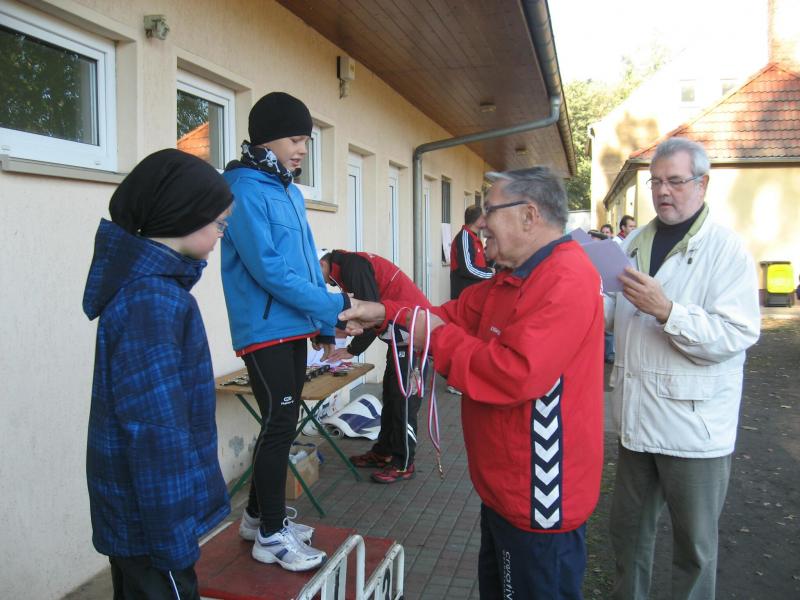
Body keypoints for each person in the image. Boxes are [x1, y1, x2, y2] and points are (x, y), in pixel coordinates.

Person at [340, 167, 605, 599]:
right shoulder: (512, 276)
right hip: (504, 490)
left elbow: (512, 372)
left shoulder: (565, 278)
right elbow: (451, 315)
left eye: (490, 210)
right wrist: (383, 313)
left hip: (537, 501)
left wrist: (434, 336)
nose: (480, 223)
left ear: (529, 215)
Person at [606, 137, 761, 600]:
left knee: (693, 550)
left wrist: (668, 311)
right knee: (627, 538)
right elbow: (615, 311)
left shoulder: (726, 250)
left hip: (693, 430)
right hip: (636, 420)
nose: (663, 191)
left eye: (674, 181)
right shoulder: (633, 242)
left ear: (702, 184)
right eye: (656, 182)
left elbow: (736, 334)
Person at [82, 149, 233, 599]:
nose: (221, 234)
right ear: (186, 215)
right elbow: (154, 432)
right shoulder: (153, 301)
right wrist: (172, 541)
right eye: (220, 223)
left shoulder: (154, 291)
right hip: (151, 526)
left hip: (142, 519)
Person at [220, 92, 350, 571]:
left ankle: (257, 519)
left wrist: (325, 323)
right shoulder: (241, 188)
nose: (302, 149)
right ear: (267, 138)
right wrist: (334, 306)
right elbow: (268, 269)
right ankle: (271, 536)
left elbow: (309, 266)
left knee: (284, 423)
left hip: (294, 324)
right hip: (263, 328)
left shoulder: (289, 191)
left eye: (307, 141)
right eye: (296, 139)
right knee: (278, 425)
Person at [319, 249, 433, 483]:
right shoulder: (345, 268)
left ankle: (403, 463)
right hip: (400, 334)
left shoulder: (351, 266)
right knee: (391, 394)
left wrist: (352, 349)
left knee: (403, 399)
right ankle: (384, 452)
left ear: (322, 263)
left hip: (413, 333)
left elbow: (369, 315)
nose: (320, 283)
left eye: (314, 274)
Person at [450, 204, 494, 299]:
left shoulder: (472, 237)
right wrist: (490, 273)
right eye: (483, 217)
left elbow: (479, 263)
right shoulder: (465, 237)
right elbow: (468, 268)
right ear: (478, 219)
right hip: (465, 296)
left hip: (474, 295)